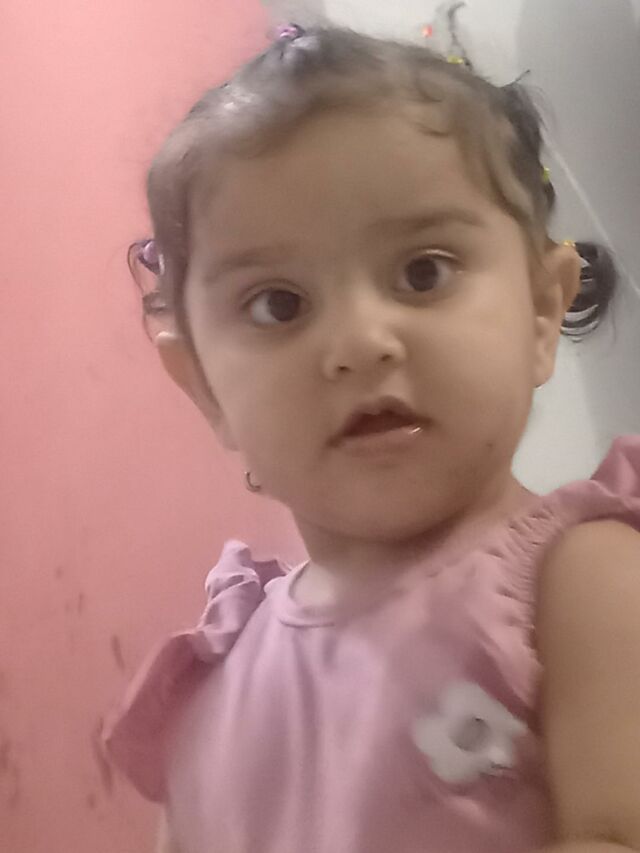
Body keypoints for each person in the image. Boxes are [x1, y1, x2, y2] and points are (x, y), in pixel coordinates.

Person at [103, 25, 640, 853]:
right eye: (278, 304)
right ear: (203, 385)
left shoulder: (586, 584)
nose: (358, 343)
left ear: (541, 310)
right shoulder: (210, 687)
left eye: (423, 271)